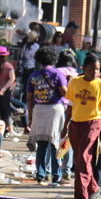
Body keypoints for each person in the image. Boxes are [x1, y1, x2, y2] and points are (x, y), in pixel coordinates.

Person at [63, 53, 101, 199]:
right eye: (91, 69)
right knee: (80, 160)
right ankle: (93, 188)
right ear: (84, 68)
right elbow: (70, 106)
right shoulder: (75, 83)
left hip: (93, 123)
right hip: (76, 124)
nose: (95, 72)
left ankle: (80, 198)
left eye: (97, 69)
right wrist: (65, 126)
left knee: (84, 157)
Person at [27, 45, 69, 185]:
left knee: (41, 145)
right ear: (53, 59)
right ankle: (56, 175)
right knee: (55, 143)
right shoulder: (57, 74)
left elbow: (29, 98)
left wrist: (30, 116)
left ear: (39, 59)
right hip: (55, 110)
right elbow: (64, 93)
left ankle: (40, 174)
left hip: (38, 110)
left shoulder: (33, 76)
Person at [0, 46, 16, 136]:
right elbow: (12, 79)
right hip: (5, 91)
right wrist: (4, 88)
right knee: (6, 111)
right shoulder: (9, 66)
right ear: (5, 56)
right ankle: (10, 130)